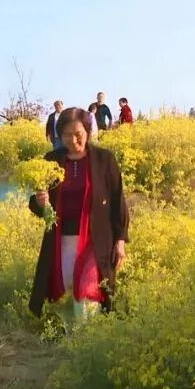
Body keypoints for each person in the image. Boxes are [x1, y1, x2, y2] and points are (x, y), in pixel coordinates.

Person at [29, 107, 130, 327]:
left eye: (78, 134)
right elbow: (37, 203)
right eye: (66, 135)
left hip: (96, 239)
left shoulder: (105, 160)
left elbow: (117, 201)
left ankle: (88, 336)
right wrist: (40, 202)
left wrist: (120, 240)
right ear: (59, 135)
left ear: (87, 131)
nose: (73, 140)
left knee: (87, 287)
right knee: (65, 287)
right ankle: (70, 335)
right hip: (62, 238)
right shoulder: (51, 160)